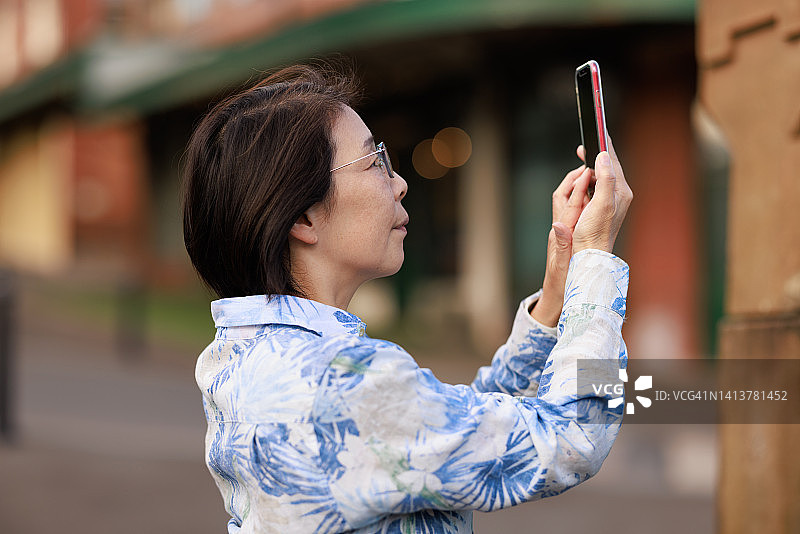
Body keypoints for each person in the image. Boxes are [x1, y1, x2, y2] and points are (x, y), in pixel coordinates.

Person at [183, 63, 632, 534]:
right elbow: (572, 437)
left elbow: (448, 430)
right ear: (304, 217)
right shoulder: (339, 382)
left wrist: (556, 295)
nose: (399, 182)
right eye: (375, 162)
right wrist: (595, 260)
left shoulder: (243, 356)